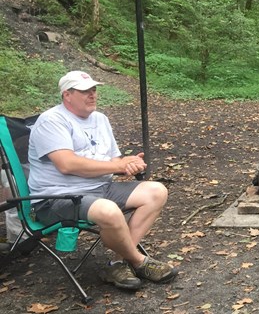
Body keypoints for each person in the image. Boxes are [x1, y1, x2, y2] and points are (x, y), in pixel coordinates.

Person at [28, 70, 178, 290]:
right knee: (108, 210)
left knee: (156, 192)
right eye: (84, 91)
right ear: (66, 95)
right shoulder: (52, 120)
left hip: (100, 188)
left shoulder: (100, 119)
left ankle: (116, 263)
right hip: (57, 197)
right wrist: (116, 166)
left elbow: (113, 159)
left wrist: (127, 164)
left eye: (94, 90)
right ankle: (138, 261)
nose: (92, 95)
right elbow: (67, 164)